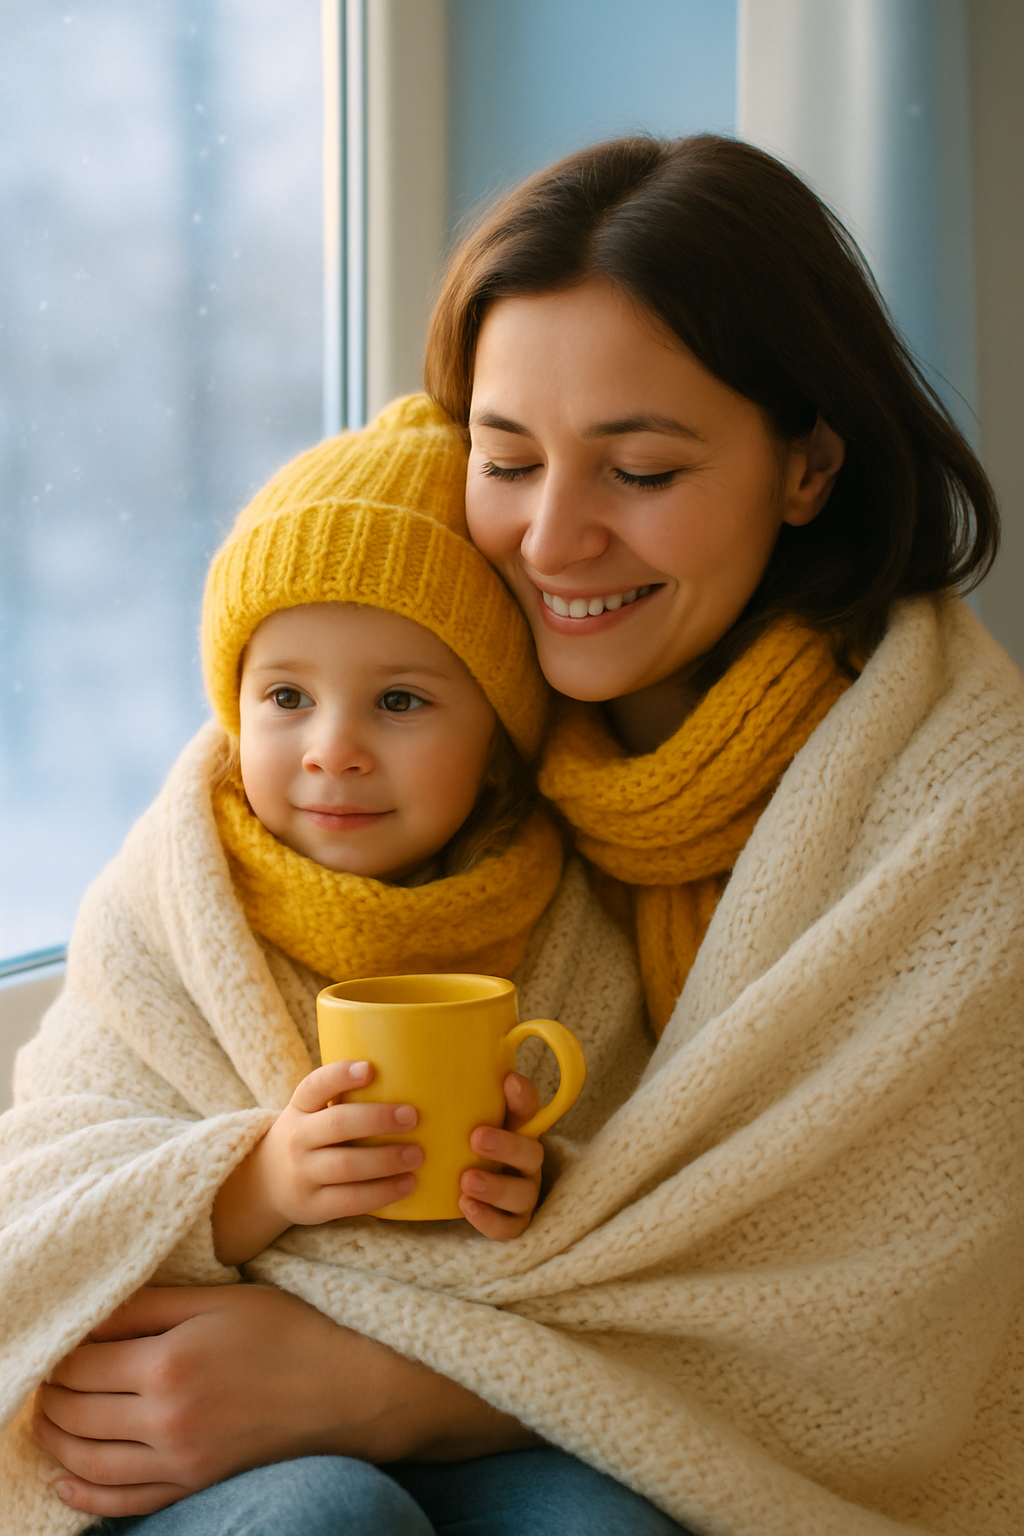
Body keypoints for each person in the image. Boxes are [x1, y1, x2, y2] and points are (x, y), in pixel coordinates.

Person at [15, 134, 1024, 1536]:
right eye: (504, 460)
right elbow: (76, 1145)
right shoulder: (387, 739)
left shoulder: (955, 807)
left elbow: (872, 1330)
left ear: (806, 466)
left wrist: (386, 1383)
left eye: (641, 471)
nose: (551, 540)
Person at [1, 392, 663, 1533]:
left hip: (461, 1395)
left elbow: (642, 1212)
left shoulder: (567, 920)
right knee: (329, 1512)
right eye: (287, 698)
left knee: (601, 1518)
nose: (333, 750)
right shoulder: (167, 904)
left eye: (399, 701)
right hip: (196, 1435)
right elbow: (50, 1193)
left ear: (495, 741)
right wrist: (255, 1186)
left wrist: (537, 1186)